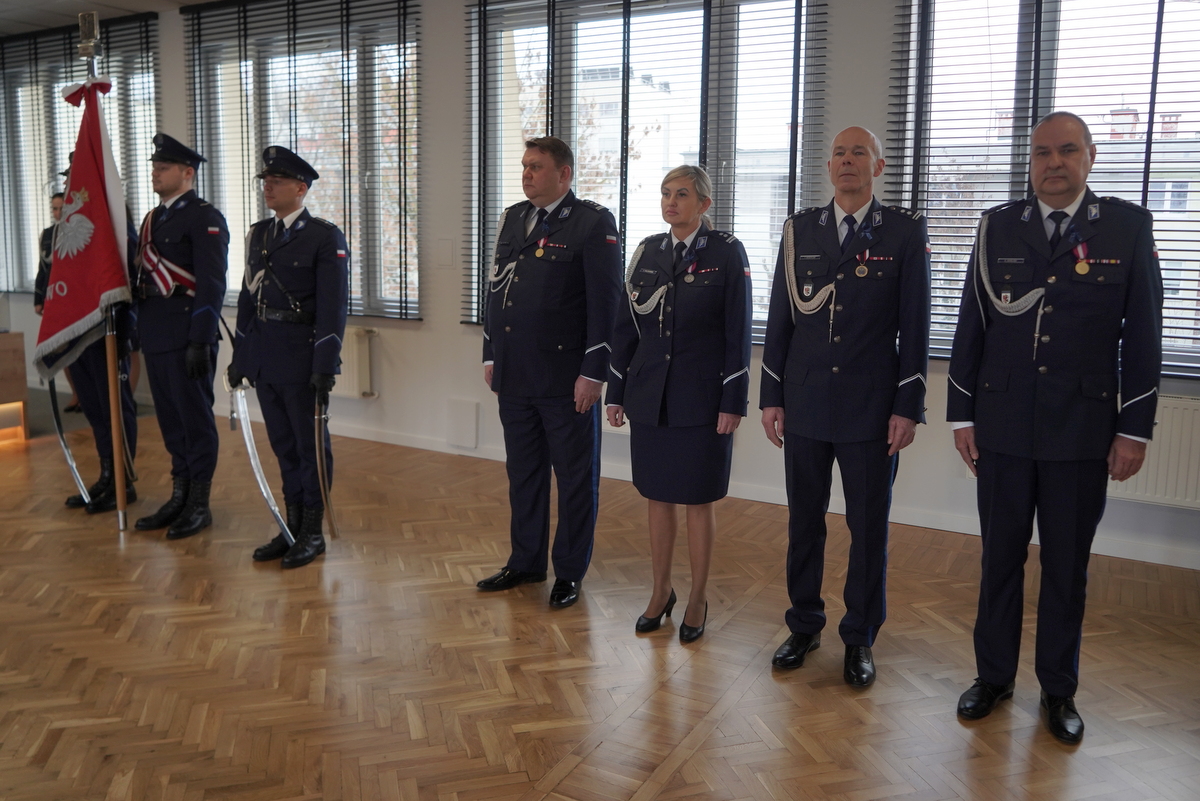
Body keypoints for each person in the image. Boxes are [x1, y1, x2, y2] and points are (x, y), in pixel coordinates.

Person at [947, 111, 1162, 744]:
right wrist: (962, 414)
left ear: (1091, 157)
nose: (1054, 162)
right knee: (1000, 560)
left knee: (1067, 566)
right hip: (1003, 424)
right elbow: (972, 324)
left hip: (1082, 429)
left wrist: (1134, 429)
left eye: (1068, 150)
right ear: (1031, 161)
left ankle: (1058, 689)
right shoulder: (997, 226)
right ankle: (993, 677)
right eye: (1042, 152)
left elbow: (1144, 336)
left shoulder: (1126, 226)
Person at [760, 126, 930, 686]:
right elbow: (781, 318)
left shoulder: (903, 231)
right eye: (839, 153)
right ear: (828, 167)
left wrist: (907, 405)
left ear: (878, 166)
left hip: (871, 408)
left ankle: (859, 636)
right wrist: (771, 397)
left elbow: (915, 326)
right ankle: (804, 624)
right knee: (804, 523)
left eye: (860, 152)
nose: (848, 160)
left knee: (868, 527)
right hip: (806, 401)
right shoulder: (799, 230)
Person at [605, 165, 751, 642]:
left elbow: (737, 332)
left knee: (698, 500)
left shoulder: (726, 252)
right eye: (666, 193)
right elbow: (626, 327)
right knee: (657, 496)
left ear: (704, 204)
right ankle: (660, 591)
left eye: (682, 194)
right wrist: (616, 392)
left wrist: (733, 400)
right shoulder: (648, 251)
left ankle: (698, 597)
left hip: (703, 399)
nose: (671, 202)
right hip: (651, 396)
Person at [477, 136, 622, 609]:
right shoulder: (513, 217)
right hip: (515, 372)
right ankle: (525, 561)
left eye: (536, 166)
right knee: (523, 474)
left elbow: (606, 304)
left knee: (576, 479)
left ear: (564, 174)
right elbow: (497, 289)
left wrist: (594, 372)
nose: (526, 174)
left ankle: (570, 572)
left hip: (565, 378)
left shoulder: (592, 222)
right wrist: (490, 352)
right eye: (524, 166)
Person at [228, 146, 349, 569]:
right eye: (265, 180)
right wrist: (241, 356)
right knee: (283, 446)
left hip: (301, 359)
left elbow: (333, 307)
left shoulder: (323, 236)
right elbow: (249, 300)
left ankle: (312, 530)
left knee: (309, 447)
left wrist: (325, 364)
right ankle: (291, 525)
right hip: (266, 356)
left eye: (277, 181)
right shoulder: (259, 234)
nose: (268, 187)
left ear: (301, 188)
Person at [133, 133, 229, 540]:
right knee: (171, 421)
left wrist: (200, 339)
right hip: (156, 333)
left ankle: (199, 504)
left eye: (163, 167)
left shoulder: (204, 217)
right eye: (154, 167)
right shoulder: (152, 220)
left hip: (188, 334)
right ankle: (180, 494)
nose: (155, 173)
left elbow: (212, 284)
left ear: (187, 173)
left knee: (195, 421)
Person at [34, 192, 81, 412]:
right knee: (61, 348)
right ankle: (75, 393)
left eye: (62, 208)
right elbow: (43, 269)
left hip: (76, 298)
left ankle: (86, 394)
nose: (58, 212)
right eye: (54, 208)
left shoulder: (77, 230)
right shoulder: (47, 234)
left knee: (80, 348)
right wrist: (38, 299)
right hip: (55, 298)